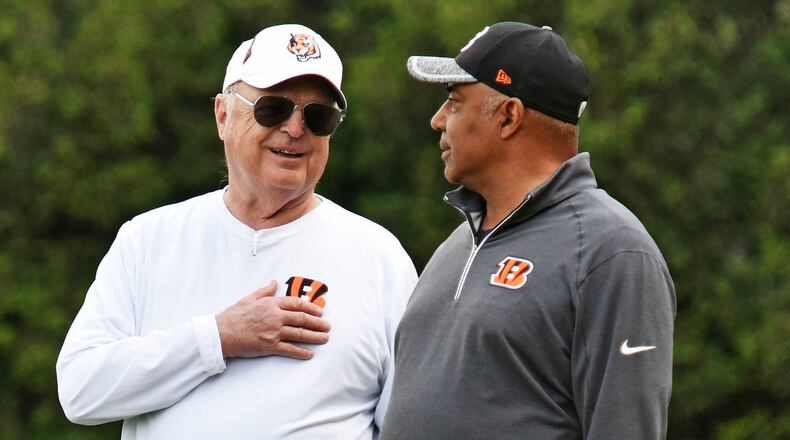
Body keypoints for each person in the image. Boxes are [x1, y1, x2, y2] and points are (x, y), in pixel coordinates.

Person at [56, 23, 417, 439]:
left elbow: (409, 422)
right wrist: (219, 337)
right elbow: (81, 391)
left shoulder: (379, 257)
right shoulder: (148, 239)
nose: (295, 129)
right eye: (273, 109)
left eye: (318, 117)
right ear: (223, 115)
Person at [381, 22, 676, 440]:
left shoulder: (613, 252)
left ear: (508, 117)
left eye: (454, 102)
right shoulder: (459, 241)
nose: (437, 120)